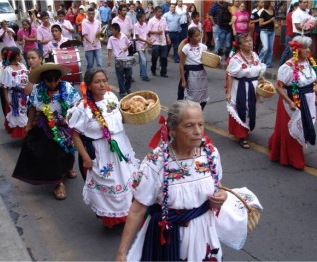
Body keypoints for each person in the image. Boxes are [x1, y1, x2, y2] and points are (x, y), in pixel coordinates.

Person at [115, 100, 228, 261]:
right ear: (173, 130)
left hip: (204, 234)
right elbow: (138, 208)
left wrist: (221, 195)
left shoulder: (210, 154)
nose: (198, 131)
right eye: (189, 126)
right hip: (171, 238)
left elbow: (218, 185)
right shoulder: (156, 162)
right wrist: (121, 253)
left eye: (201, 124)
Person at [67, 69, 138, 228]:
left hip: (121, 145)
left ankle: (128, 214)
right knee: (110, 183)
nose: (102, 84)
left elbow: (119, 119)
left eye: (104, 80)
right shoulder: (82, 108)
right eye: (97, 81)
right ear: (89, 85)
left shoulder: (111, 97)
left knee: (127, 179)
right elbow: (75, 135)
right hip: (101, 150)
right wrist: (85, 157)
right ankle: (112, 219)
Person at [12, 63, 80, 200]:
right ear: (44, 80)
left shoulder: (67, 87)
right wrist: (28, 125)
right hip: (45, 125)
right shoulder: (38, 89)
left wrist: (67, 119)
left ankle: (67, 168)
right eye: (50, 81)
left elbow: (77, 105)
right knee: (52, 154)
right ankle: (58, 183)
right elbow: (31, 107)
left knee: (68, 149)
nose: (53, 84)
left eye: (56, 80)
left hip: (65, 123)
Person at [268, 36, 317, 170]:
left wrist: (316, 81)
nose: (308, 50)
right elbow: (279, 86)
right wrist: (290, 102)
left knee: (303, 126)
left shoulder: (308, 62)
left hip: (307, 100)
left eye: (308, 47)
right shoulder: (287, 67)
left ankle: (279, 144)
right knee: (293, 129)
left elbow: (307, 80)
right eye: (305, 48)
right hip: (292, 101)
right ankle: (292, 157)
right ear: (296, 51)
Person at [226, 34, 266, 149]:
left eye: (250, 40)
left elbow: (258, 70)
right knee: (241, 109)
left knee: (251, 108)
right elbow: (231, 76)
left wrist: (261, 79)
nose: (250, 43)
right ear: (240, 45)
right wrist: (228, 93)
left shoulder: (254, 55)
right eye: (246, 41)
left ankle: (246, 129)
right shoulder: (236, 59)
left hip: (253, 87)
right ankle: (241, 136)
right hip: (240, 87)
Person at [0, 47, 29, 138]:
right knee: (19, 113)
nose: (22, 55)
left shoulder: (23, 66)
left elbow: (27, 80)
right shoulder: (8, 70)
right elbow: (5, 86)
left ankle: (28, 130)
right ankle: (23, 133)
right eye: (20, 54)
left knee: (26, 112)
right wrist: (7, 99)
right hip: (15, 96)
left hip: (25, 94)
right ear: (17, 56)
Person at [179, 27, 208, 110]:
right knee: (192, 96)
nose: (199, 37)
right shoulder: (186, 48)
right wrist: (184, 80)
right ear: (190, 37)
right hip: (190, 74)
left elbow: (206, 60)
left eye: (199, 35)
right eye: (196, 36)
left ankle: (199, 112)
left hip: (201, 74)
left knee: (202, 94)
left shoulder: (203, 47)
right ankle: (190, 112)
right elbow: (181, 65)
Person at [107, 23, 132, 98]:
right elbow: (109, 50)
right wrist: (109, 60)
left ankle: (127, 88)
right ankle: (122, 91)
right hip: (118, 59)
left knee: (129, 75)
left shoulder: (124, 36)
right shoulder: (111, 38)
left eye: (112, 30)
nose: (111, 31)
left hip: (126, 57)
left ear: (117, 30)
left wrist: (126, 48)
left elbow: (129, 43)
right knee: (120, 76)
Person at [148, 6, 171, 77]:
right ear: (155, 12)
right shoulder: (151, 20)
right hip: (155, 42)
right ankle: (153, 69)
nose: (160, 13)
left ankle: (163, 72)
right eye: (159, 12)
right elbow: (148, 31)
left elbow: (166, 30)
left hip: (163, 41)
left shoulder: (163, 19)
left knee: (164, 58)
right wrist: (156, 32)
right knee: (155, 57)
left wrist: (168, 39)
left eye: (161, 11)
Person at [279, 2, 299, 67]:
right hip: (290, 35)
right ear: (294, 7)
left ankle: (291, 64)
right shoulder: (290, 15)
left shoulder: (295, 15)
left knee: (292, 51)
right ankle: (281, 64)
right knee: (287, 50)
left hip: (294, 35)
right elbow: (294, 23)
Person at [258, 1, 276, 68]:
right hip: (264, 31)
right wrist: (270, 20)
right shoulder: (263, 12)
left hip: (272, 31)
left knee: (270, 49)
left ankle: (268, 63)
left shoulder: (273, 11)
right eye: (272, 2)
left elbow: (273, 21)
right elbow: (260, 24)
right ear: (269, 3)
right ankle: (258, 61)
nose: (273, 3)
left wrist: (275, 24)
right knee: (265, 47)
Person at [134, 12, 152, 81]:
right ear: (139, 19)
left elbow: (146, 33)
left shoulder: (145, 24)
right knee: (144, 60)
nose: (144, 18)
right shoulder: (136, 25)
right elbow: (137, 37)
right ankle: (144, 76)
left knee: (144, 60)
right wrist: (146, 41)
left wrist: (148, 39)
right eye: (143, 17)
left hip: (145, 44)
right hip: (139, 45)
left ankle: (142, 73)